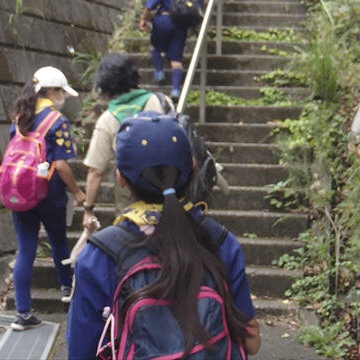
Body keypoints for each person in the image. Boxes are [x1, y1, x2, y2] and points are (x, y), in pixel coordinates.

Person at [66, 112, 261, 360]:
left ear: (121, 178)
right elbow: (251, 343)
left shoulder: (100, 254)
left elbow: (80, 351)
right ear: (192, 166)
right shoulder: (220, 241)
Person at [8, 66, 86, 331]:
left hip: (19, 190)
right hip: (49, 190)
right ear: (52, 91)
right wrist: (77, 192)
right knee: (58, 240)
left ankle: (22, 313)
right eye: (61, 91)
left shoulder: (20, 117)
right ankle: (67, 288)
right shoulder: (56, 120)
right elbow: (62, 166)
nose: (62, 95)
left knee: (25, 249)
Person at [82, 53, 174, 230]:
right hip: (168, 182)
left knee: (130, 236)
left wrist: (88, 209)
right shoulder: (161, 102)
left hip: (130, 192)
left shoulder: (107, 119)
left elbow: (96, 171)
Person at [140, 0, 221, 102]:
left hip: (163, 20)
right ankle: (176, 89)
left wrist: (143, 20)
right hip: (180, 24)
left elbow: (149, 6)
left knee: (154, 45)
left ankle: (159, 72)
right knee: (176, 58)